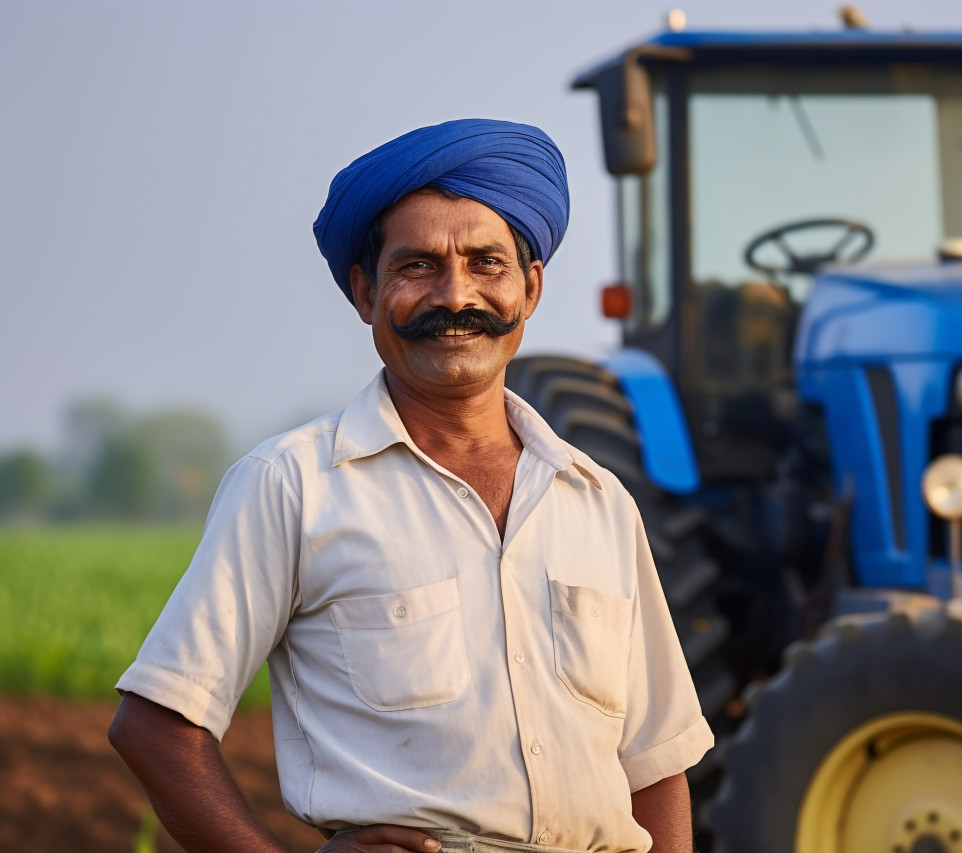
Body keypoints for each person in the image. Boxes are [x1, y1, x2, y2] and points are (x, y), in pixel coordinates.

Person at [109, 119, 713, 853]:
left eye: (486, 263)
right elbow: (156, 721)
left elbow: (655, 766)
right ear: (365, 292)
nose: (455, 296)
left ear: (531, 286)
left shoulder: (598, 501)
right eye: (418, 266)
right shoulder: (293, 485)